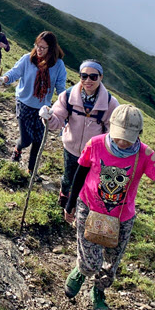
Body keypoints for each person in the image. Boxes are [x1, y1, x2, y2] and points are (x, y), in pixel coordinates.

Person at [61, 104, 155, 310]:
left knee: (112, 261)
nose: (122, 142)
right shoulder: (95, 144)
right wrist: (70, 202)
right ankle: (81, 271)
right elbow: (80, 174)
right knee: (90, 258)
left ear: (139, 134)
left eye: (128, 138)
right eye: (119, 135)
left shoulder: (145, 155)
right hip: (89, 207)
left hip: (122, 217)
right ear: (110, 126)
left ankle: (98, 291)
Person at [40, 59, 118, 208]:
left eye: (93, 76)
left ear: (101, 77)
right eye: (84, 76)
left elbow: (113, 130)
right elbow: (57, 121)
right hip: (71, 148)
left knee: (87, 181)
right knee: (68, 177)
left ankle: (79, 205)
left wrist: (106, 149)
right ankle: (64, 196)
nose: (88, 80)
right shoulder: (68, 96)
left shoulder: (110, 103)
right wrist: (48, 117)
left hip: (94, 154)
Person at [0, 31, 66, 174]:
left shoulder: (58, 65)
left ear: (51, 48)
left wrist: (64, 105)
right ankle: (18, 148)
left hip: (43, 109)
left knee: (38, 142)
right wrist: (3, 79)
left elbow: (60, 87)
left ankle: (31, 171)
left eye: (43, 47)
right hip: (24, 103)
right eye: (37, 46)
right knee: (26, 140)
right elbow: (15, 72)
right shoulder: (28, 59)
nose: (39, 50)